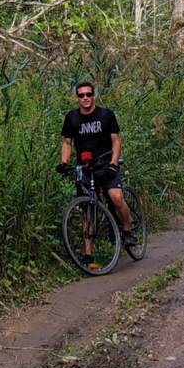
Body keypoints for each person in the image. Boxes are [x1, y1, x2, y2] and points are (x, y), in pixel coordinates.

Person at [56, 80, 136, 264]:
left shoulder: (105, 115)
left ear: (94, 96)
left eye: (88, 94)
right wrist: (64, 162)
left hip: (106, 164)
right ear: (77, 97)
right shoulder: (71, 118)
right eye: (81, 95)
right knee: (87, 209)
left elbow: (116, 140)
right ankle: (88, 254)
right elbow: (67, 142)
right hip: (85, 168)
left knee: (116, 197)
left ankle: (127, 230)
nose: (85, 98)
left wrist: (114, 163)